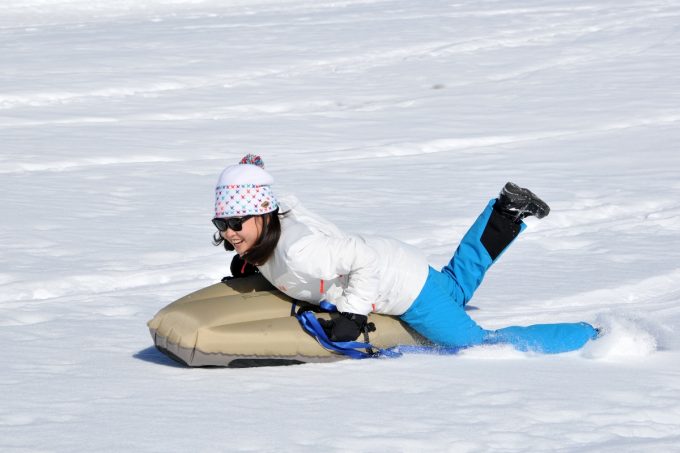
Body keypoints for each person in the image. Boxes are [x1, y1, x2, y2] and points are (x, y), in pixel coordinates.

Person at [212, 154, 598, 354]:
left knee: (478, 345)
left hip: (405, 287)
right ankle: (507, 212)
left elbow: (363, 260)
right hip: (400, 259)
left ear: (263, 214)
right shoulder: (271, 229)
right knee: (454, 290)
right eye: (221, 225)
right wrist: (251, 258)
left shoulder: (299, 251)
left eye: (236, 222)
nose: (229, 233)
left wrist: (352, 314)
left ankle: (589, 336)